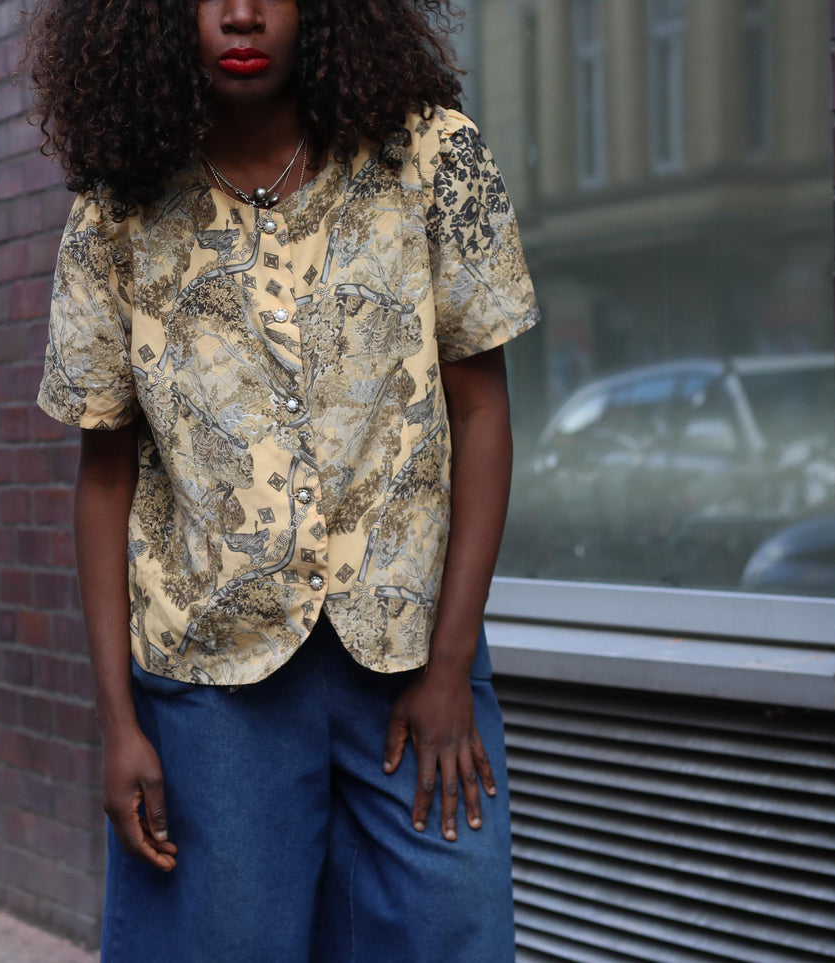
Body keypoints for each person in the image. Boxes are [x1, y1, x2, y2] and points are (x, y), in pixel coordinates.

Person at [26, 1, 538, 959]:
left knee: (450, 933)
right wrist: (117, 724)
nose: (240, 12)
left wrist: (451, 668)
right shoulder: (117, 210)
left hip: (411, 672)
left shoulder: (430, 156)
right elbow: (102, 478)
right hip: (211, 689)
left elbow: (480, 412)